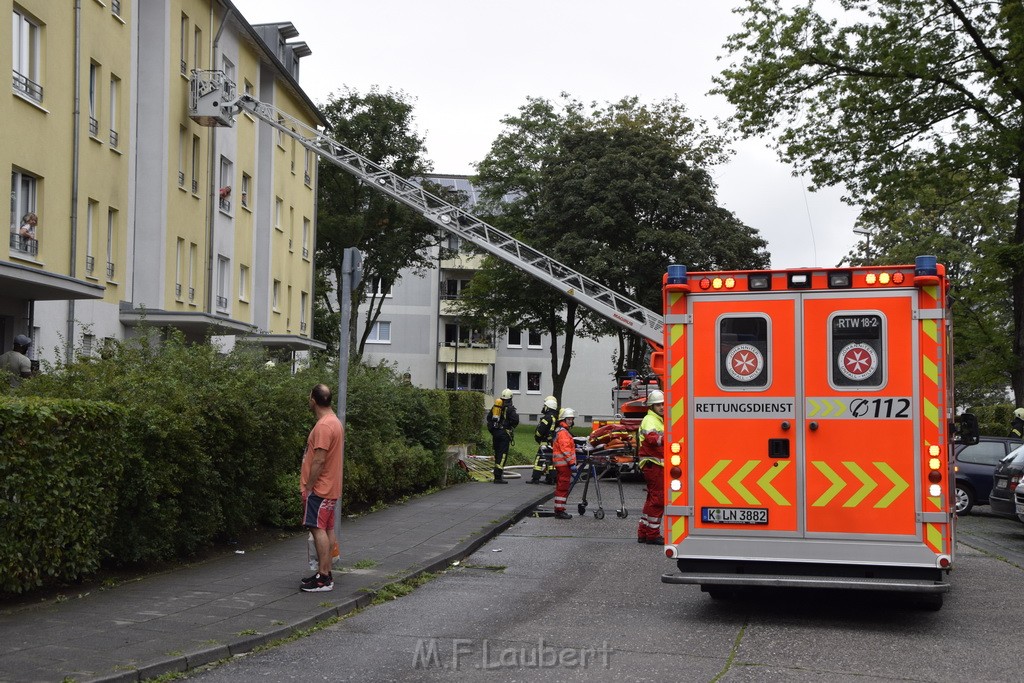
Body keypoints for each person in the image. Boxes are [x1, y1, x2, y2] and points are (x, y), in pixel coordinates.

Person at [299, 383, 344, 592]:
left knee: (318, 529)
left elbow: (318, 459)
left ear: (313, 400)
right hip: (330, 486)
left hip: (320, 488)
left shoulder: (324, 426)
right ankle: (325, 573)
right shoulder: (334, 422)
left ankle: (324, 577)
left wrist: (308, 487)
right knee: (326, 529)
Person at [636, 389, 665, 545]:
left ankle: (644, 532)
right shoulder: (650, 419)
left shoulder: (657, 419)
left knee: (651, 499)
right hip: (654, 465)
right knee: (658, 499)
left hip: (653, 465)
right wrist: (672, 438)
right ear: (651, 406)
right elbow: (652, 439)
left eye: (663, 404)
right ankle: (653, 535)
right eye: (658, 405)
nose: (661, 407)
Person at [487, 388, 519, 484]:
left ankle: (497, 474)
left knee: (497, 453)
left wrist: (493, 430)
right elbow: (515, 421)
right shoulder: (510, 408)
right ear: (510, 398)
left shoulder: (496, 407)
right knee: (503, 455)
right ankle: (498, 477)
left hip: (496, 433)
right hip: (504, 434)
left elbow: (489, 418)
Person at [551, 407, 577, 519]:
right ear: (563, 420)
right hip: (564, 465)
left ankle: (559, 509)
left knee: (562, 486)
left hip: (562, 464)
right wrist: (571, 463)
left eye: (572, 419)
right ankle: (560, 511)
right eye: (569, 419)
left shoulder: (562, 431)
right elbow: (565, 449)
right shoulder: (563, 433)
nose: (571, 421)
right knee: (563, 487)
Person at [527, 395, 558, 484]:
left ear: (548, 407)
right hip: (552, 442)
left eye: (545, 406)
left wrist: (537, 436)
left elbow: (540, 431)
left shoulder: (547, 418)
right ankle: (551, 478)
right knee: (551, 461)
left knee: (539, 460)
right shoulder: (555, 417)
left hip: (544, 442)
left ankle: (535, 478)